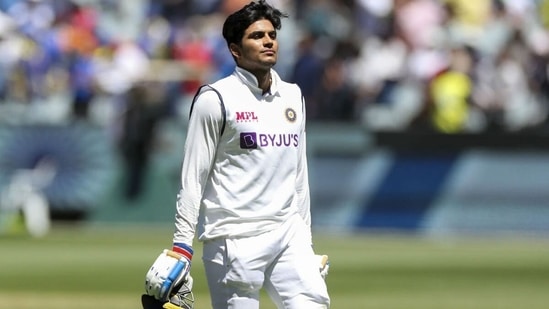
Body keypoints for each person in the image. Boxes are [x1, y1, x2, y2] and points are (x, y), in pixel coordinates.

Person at [142, 1, 330, 309]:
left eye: (271, 35)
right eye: (257, 36)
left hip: (287, 234)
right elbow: (193, 179)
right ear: (235, 50)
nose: (268, 41)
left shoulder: (293, 95)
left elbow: (299, 175)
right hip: (233, 240)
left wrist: (307, 244)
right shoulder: (215, 99)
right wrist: (181, 248)